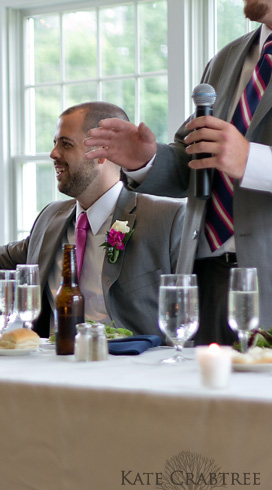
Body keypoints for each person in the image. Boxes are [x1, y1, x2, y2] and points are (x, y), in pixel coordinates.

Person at [84, 0, 272, 344]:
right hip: (203, 278)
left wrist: (252, 161)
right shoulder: (226, 59)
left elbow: (238, 157)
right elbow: (194, 162)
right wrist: (147, 160)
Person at [0, 102, 185, 338]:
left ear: (102, 152)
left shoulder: (165, 219)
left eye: (65, 144)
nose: (53, 154)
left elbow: (188, 308)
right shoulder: (51, 216)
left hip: (129, 365)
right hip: (52, 362)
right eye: (54, 143)